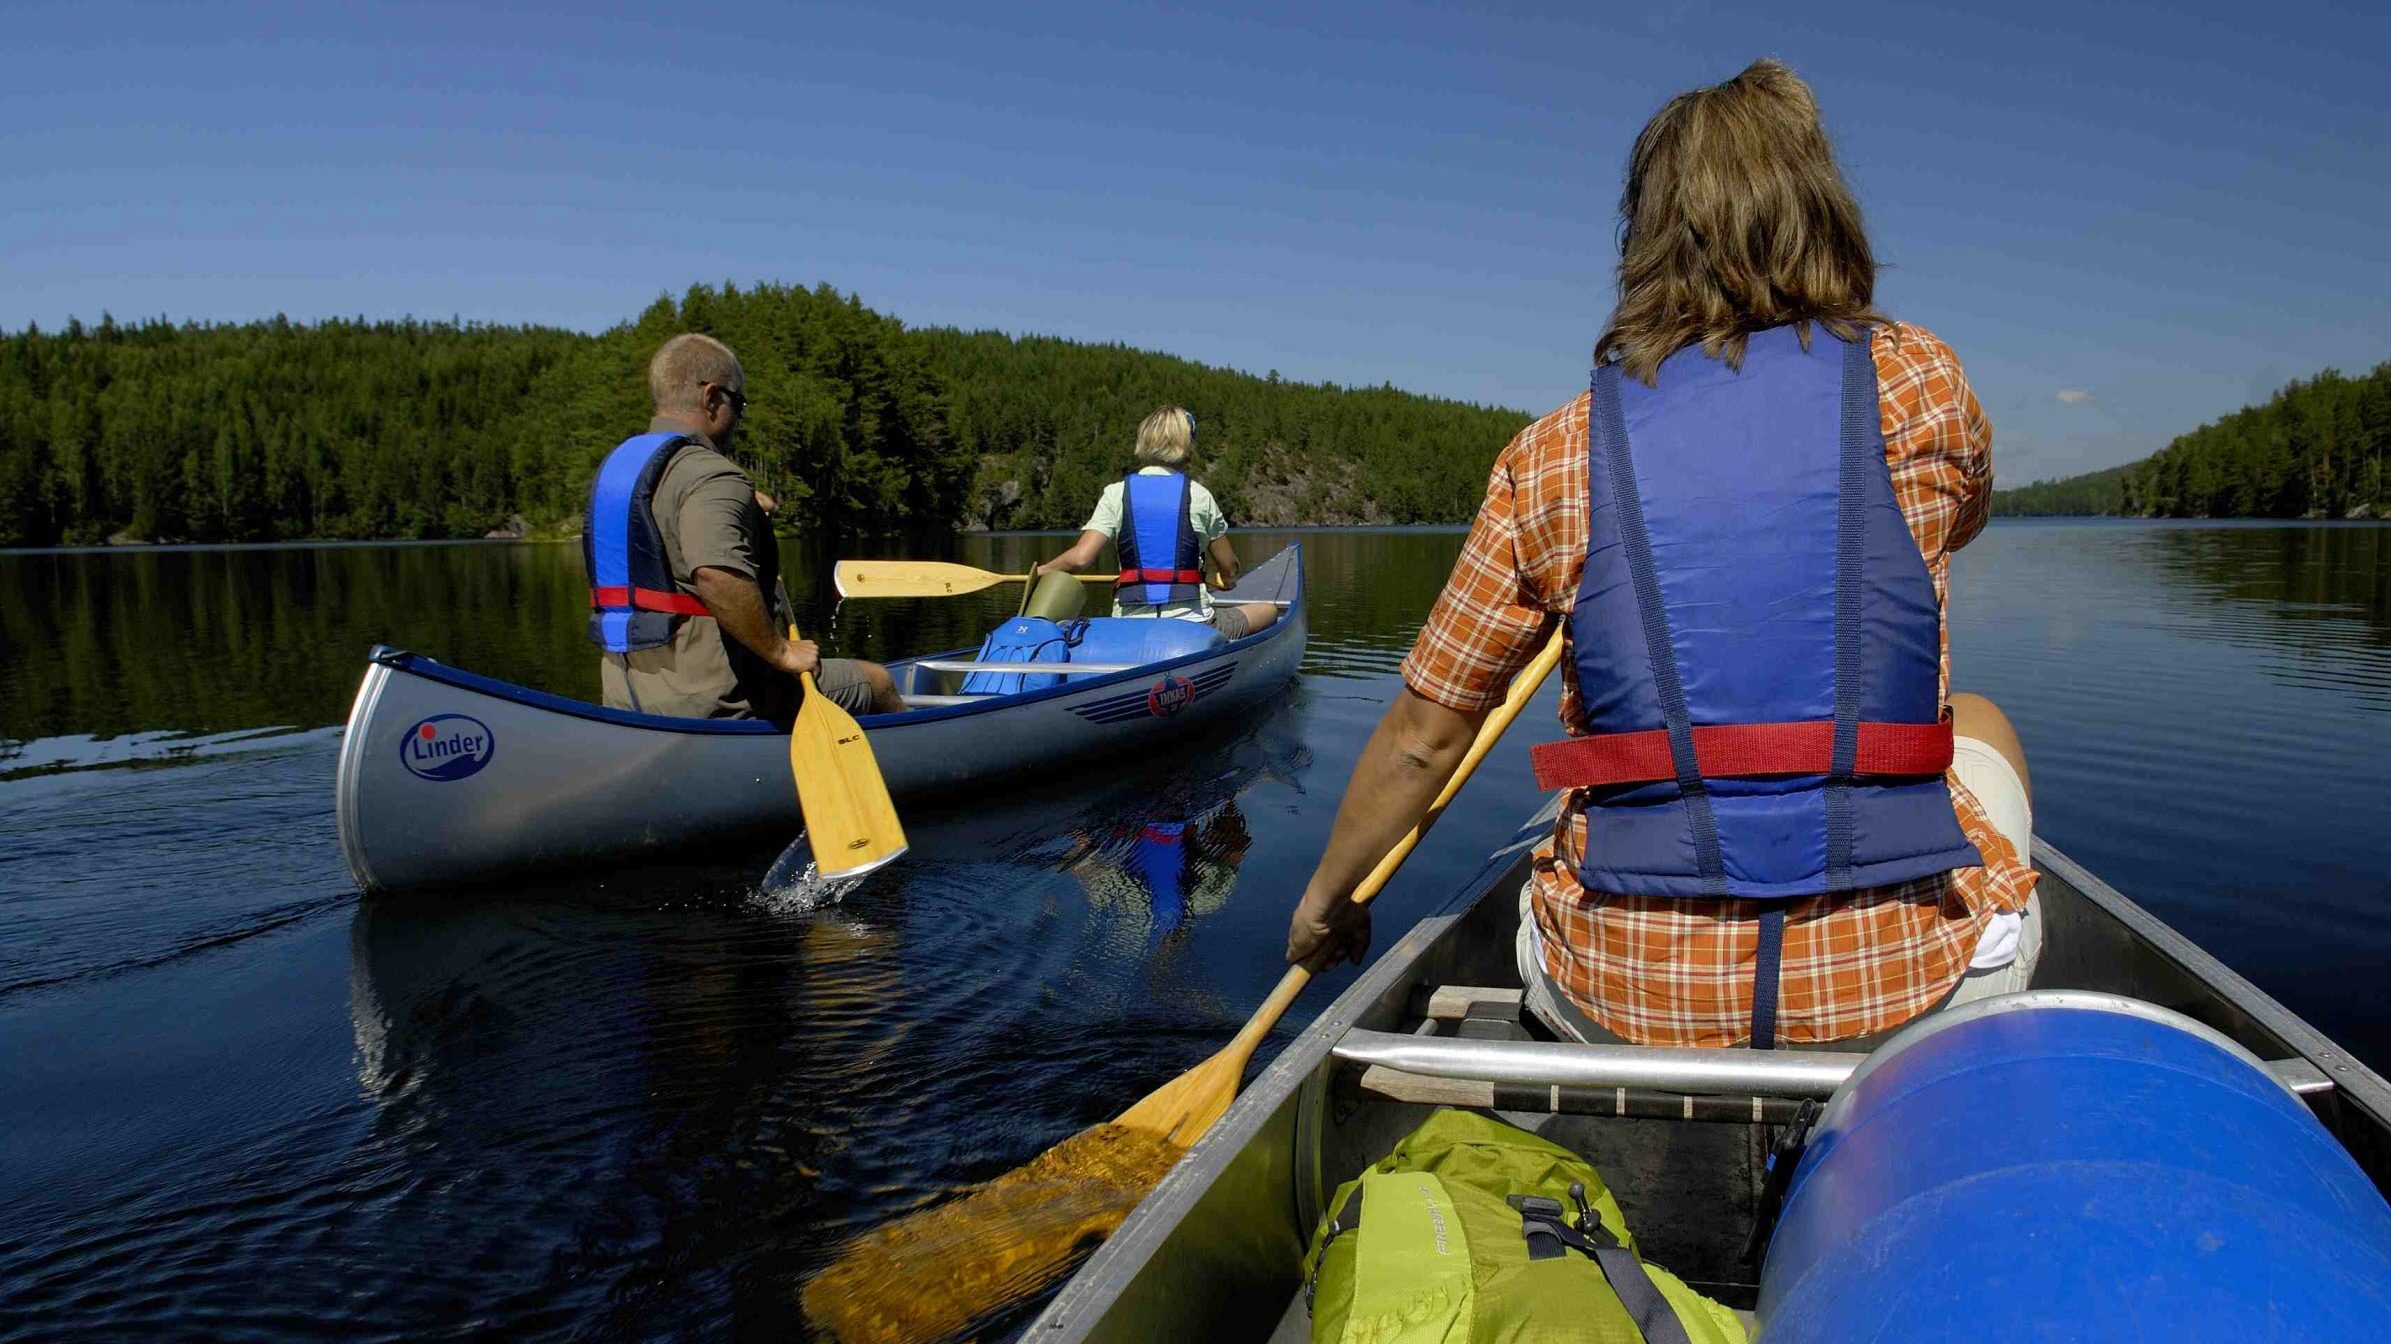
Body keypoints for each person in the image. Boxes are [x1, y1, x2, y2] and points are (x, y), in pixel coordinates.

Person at [1283, 60, 2039, 1052]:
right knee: (1978, 716)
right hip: (1897, 988)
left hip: (1622, 1003)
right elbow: (1962, 520)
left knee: (1580, 791)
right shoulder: (1921, 385)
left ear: (1644, 243)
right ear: (1817, 209)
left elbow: (1424, 736)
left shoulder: (1554, 452)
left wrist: (1324, 899)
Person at [585, 333, 904, 720]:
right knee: (877, 681)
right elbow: (716, 575)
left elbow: (660, 526)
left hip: (625, 698)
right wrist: (781, 652)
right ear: (712, 398)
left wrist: (746, 506)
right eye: (740, 403)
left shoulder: (619, 470)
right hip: (717, 702)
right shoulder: (712, 475)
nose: (739, 417)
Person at [1032, 407, 1281, 639]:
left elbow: (1080, 558)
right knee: (1268, 610)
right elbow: (1229, 566)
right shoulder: (1199, 495)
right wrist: (1228, 580)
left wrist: (1044, 570)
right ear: (1187, 444)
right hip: (1193, 626)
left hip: (1128, 626)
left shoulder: (1116, 493)